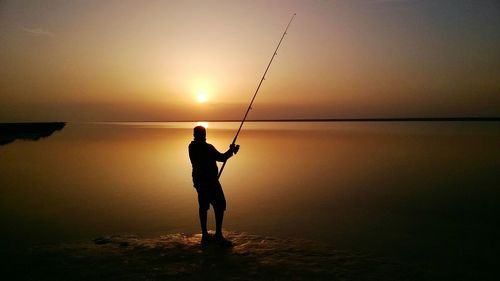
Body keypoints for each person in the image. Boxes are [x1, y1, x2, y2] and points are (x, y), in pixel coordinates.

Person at [188, 125, 239, 245]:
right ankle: (218, 235)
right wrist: (231, 151)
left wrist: (231, 151)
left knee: (203, 206)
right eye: (203, 134)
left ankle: (205, 236)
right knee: (220, 205)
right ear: (203, 135)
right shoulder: (207, 147)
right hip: (210, 182)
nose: (204, 136)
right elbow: (222, 158)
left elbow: (219, 157)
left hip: (198, 181)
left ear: (194, 135)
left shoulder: (191, 146)